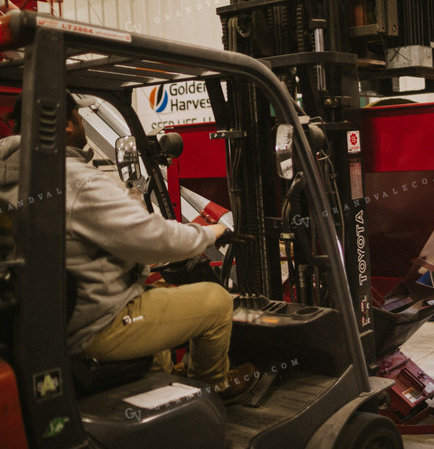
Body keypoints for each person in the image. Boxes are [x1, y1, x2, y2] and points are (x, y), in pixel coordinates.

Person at [0, 92, 256, 402]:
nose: (81, 123)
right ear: (65, 126)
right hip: (94, 325)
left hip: (40, 324)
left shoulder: (13, 175)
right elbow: (153, 240)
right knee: (215, 301)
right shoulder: (77, 181)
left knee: (156, 288)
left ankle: (167, 381)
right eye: (78, 119)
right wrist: (209, 233)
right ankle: (214, 388)